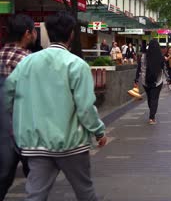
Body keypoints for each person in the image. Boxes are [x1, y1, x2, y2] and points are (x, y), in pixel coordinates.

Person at [4, 12, 107, 200]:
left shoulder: (27, 63)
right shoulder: (76, 65)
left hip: (36, 143)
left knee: (35, 195)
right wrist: (99, 131)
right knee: (85, 192)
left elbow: (7, 95)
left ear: (48, 33)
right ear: (71, 34)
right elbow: (85, 108)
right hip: (71, 144)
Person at [0, 14, 37, 200]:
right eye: (34, 30)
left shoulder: (1, 55)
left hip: (3, 126)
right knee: (36, 176)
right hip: (23, 126)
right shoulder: (27, 60)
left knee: (4, 176)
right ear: (27, 33)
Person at [135, 39, 165, 124]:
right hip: (157, 81)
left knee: (150, 98)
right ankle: (152, 117)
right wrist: (169, 79)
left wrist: (136, 79)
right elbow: (164, 68)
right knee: (154, 99)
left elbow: (139, 69)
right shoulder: (160, 56)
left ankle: (151, 113)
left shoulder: (144, 56)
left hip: (145, 81)